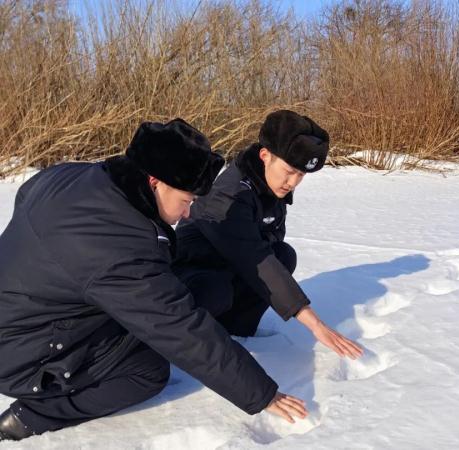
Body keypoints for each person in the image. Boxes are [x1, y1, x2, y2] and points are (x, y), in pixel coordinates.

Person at [0, 118, 307, 441]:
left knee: (195, 292)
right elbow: (180, 329)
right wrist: (262, 394)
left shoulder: (71, 176)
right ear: (155, 181)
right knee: (148, 370)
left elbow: (25, 196)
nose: (187, 213)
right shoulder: (118, 246)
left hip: (28, 313)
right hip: (27, 353)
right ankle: (30, 416)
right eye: (187, 200)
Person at [174, 110, 364, 360]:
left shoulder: (272, 187)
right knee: (216, 290)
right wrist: (314, 324)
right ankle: (193, 346)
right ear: (265, 156)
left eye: (301, 175)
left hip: (233, 265)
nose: (293, 182)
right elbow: (255, 258)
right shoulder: (229, 195)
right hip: (194, 273)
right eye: (289, 171)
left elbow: (269, 249)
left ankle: (237, 331)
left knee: (284, 256)